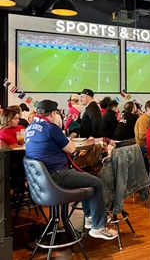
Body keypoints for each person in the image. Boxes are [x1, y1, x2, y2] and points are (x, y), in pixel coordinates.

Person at [25, 99, 117, 240]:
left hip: (42, 180)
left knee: (86, 179)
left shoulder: (29, 128)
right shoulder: (51, 128)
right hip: (57, 175)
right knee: (97, 182)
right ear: (53, 114)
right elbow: (72, 149)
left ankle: (89, 218)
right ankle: (99, 226)